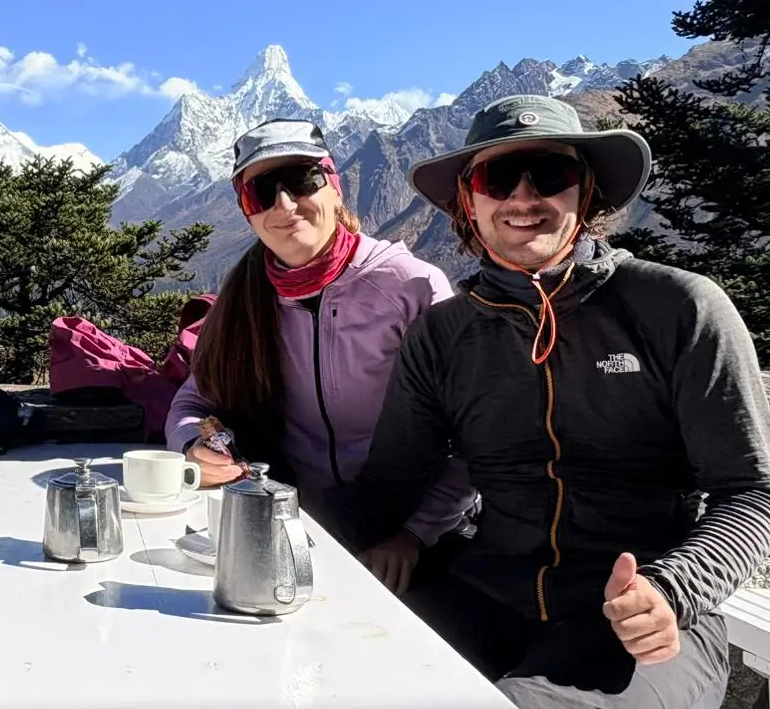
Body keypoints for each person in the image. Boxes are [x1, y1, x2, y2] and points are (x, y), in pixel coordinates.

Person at [327, 94, 770, 708]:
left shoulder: (679, 307)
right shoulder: (445, 334)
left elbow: (752, 491)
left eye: (551, 174)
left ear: (585, 194)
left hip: (641, 623)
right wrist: (253, 504)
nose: (524, 197)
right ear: (470, 201)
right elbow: (391, 482)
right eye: (498, 176)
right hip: (481, 591)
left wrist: (672, 589)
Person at [164, 118, 477, 594]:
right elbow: (194, 404)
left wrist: (413, 535)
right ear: (247, 212)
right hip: (296, 527)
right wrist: (194, 446)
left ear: (335, 186)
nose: (284, 205)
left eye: (301, 181)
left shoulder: (410, 286)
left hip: (417, 529)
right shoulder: (243, 302)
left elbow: (474, 434)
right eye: (261, 193)